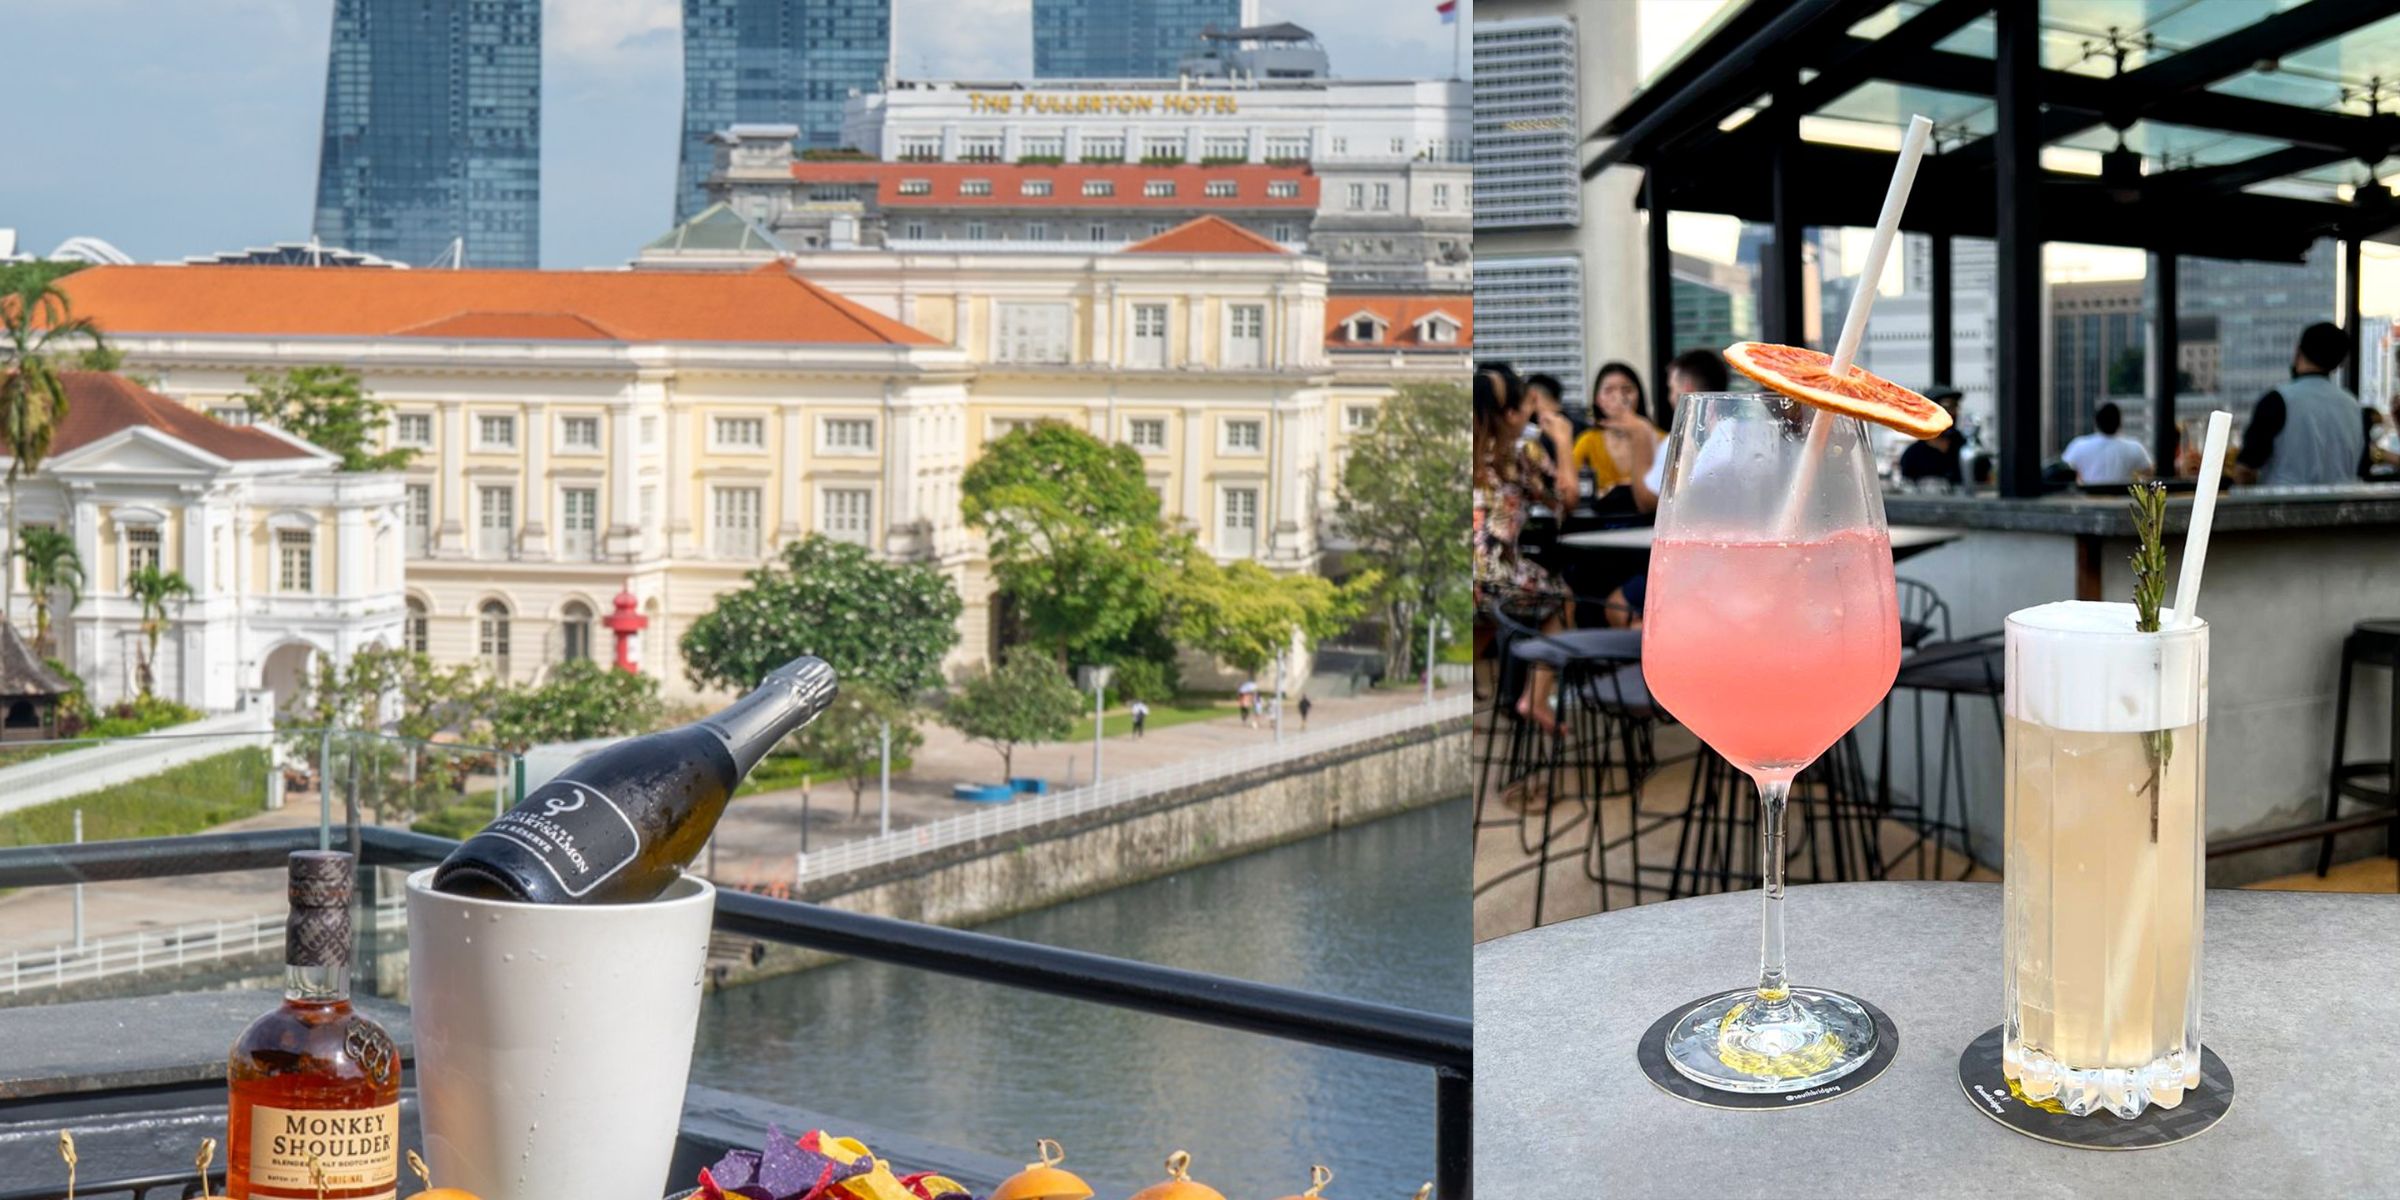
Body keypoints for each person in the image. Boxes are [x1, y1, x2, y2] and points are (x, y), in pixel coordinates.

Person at [1474, 365, 1575, 735]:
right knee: (1563, 599)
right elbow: (1566, 498)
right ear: (1513, 415)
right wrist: (1563, 440)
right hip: (1496, 576)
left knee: (1483, 619)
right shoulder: (1521, 453)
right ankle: (1535, 697)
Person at [2231, 322, 2367, 486]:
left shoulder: (2277, 400)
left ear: (2298, 351)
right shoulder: (2354, 407)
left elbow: (2245, 470)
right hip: (2344, 501)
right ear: (2339, 363)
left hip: (2283, 500)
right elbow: (2362, 467)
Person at [1572, 362, 1664, 507]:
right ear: (1597, 399)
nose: (1619, 398)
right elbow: (1572, 486)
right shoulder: (1587, 441)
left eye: (1627, 390)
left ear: (1639, 394)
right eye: (1609, 391)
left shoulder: (1662, 440)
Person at [2060, 401, 2152, 485]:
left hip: (2089, 496)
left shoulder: (2079, 445)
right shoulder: (2135, 447)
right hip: (2123, 496)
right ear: (2120, 423)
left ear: (2096, 422)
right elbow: (2149, 472)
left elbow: (2062, 470)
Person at [1898, 385, 1966, 487]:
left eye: (1955, 406)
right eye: (1947, 406)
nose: (1953, 412)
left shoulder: (1966, 448)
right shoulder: (1913, 455)